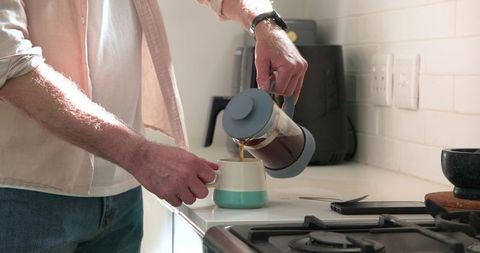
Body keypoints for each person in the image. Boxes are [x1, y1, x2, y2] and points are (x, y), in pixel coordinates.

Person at [0, 0, 307, 252]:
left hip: (123, 196)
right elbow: (9, 64)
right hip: (25, 198)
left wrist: (266, 23)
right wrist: (140, 156)